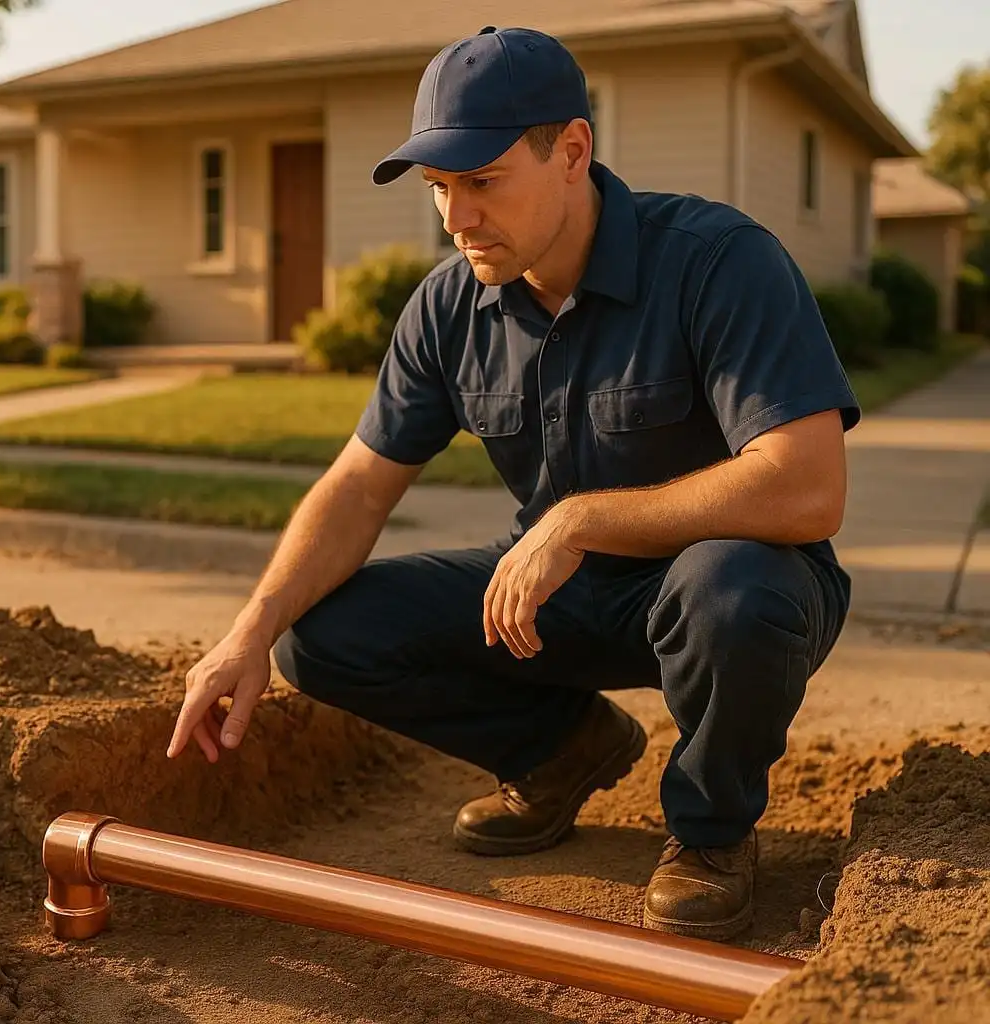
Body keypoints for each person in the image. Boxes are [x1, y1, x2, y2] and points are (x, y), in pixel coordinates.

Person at [165, 24, 856, 942]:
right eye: (440, 188)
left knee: (732, 588)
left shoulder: (719, 262)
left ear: (571, 151)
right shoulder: (450, 305)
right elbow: (359, 487)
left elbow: (807, 488)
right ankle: (561, 750)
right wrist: (247, 632)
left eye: (482, 181)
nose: (456, 217)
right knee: (319, 634)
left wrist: (577, 519)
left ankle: (711, 830)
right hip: (557, 600)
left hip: (728, 590)